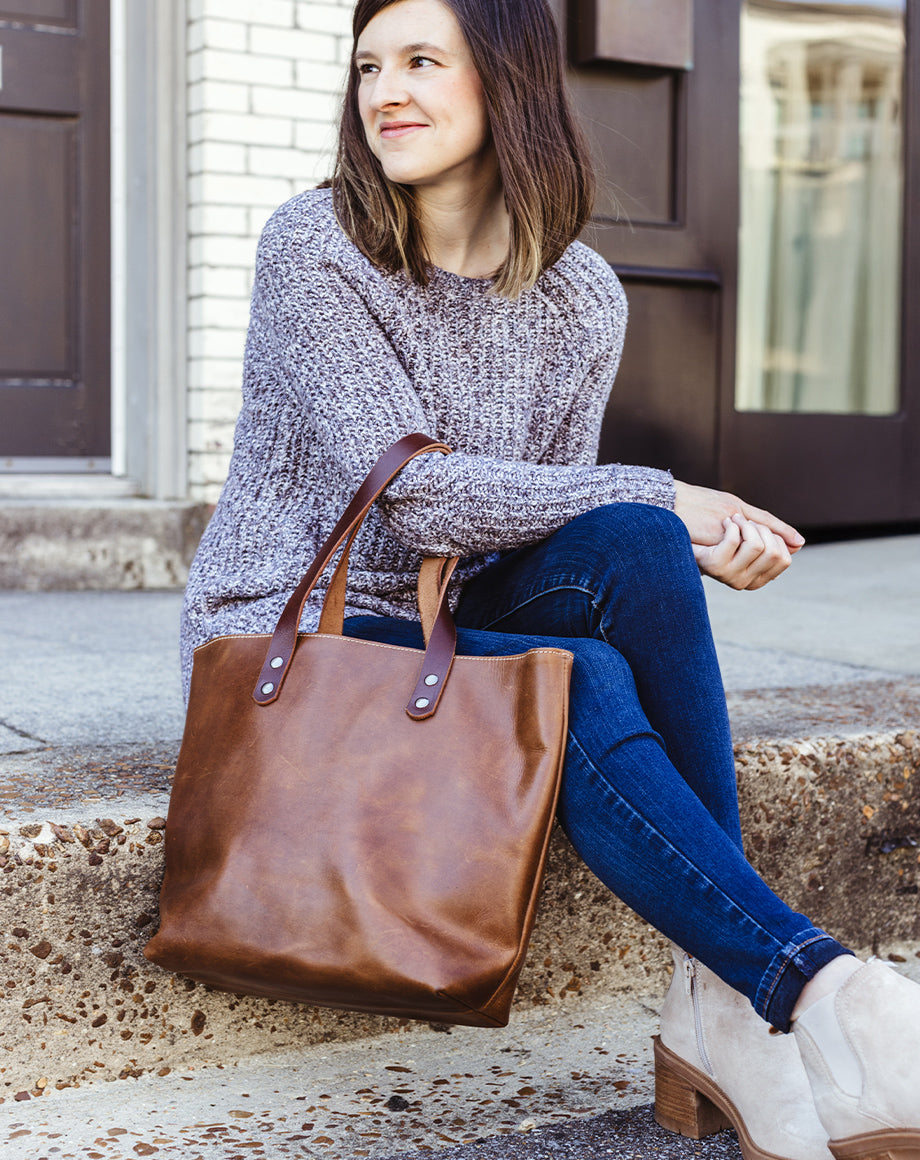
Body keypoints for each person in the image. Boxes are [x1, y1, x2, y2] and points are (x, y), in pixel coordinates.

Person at [180, 0, 920, 1156]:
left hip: (449, 604)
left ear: (507, 80)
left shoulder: (581, 295)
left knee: (627, 538)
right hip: (292, 630)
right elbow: (413, 491)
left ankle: (715, 994)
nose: (385, 91)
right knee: (576, 664)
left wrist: (659, 520)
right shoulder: (314, 245)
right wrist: (676, 495)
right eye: (370, 65)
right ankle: (801, 986)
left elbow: (537, 518)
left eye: (422, 60)